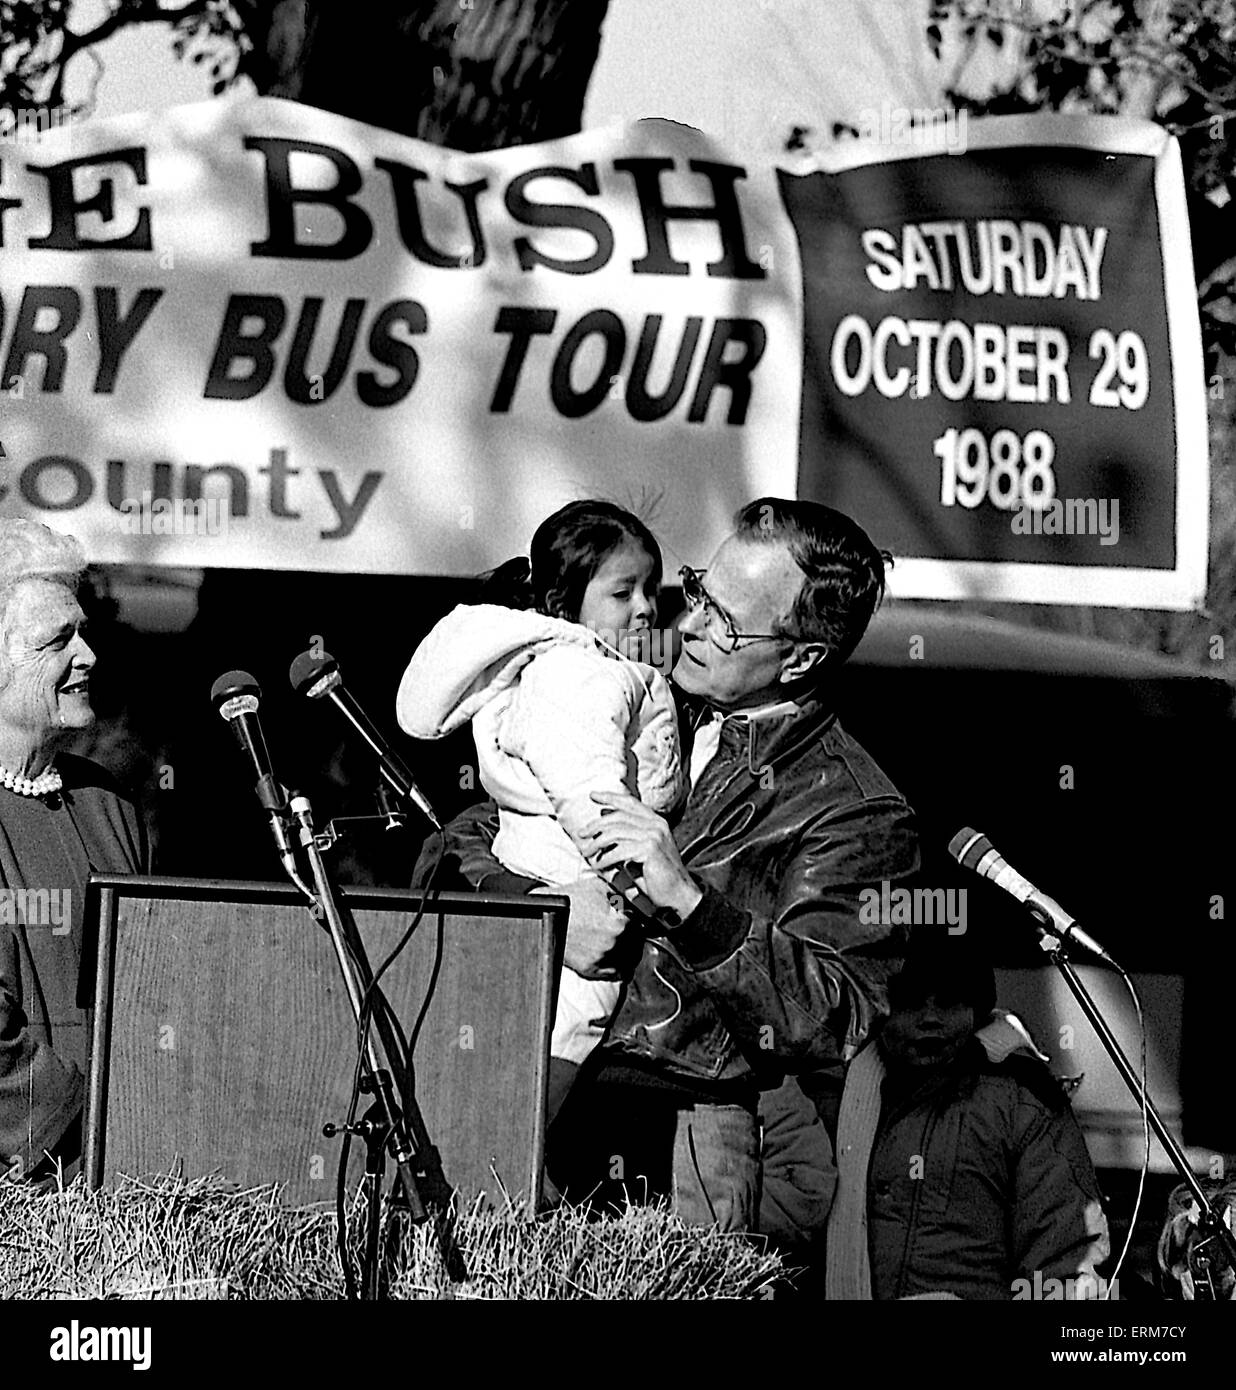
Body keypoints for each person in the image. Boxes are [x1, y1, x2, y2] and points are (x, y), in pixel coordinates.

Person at [415, 497, 919, 1247]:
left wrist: (691, 904)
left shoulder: (854, 807)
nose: (686, 625)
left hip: (683, 1137)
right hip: (522, 1085)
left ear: (804, 657)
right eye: (698, 592)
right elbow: (456, 839)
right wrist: (544, 908)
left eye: (725, 622)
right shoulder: (626, 684)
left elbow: (839, 1014)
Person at [397, 501, 685, 1119]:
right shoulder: (579, 676)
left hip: (558, 895)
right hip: (579, 894)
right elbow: (591, 794)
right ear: (563, 604)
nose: (644, 608)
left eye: (649, 590)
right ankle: (501, 1185)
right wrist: (635, 884)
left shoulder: (592, 669)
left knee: (507, 1073)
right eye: (621, 592)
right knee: (531, 1090)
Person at [826, 933, 1111, 1300]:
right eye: (910, 1001)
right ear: (877, 1007)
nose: (930, 1018)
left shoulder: (1022, 1102)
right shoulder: (835, 1090)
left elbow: (1067, 1260)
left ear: (976, 1009)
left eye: (948, 1001)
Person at [0, 519, 149, 1182]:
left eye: (82, 631)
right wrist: (84, 1129)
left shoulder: (107, 804)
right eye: (58, 640)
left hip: (120, 1170)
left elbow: (152, 988)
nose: (86, 655)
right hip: (34, 1183)